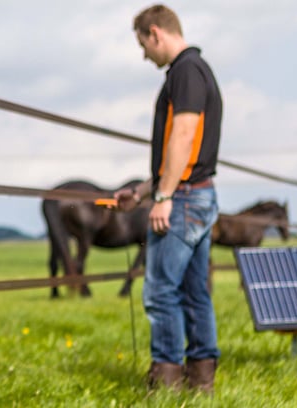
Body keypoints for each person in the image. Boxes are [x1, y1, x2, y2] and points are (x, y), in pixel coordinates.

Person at [114, 4, 223, 394]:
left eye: (143, 44)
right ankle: (201, 382)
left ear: (155, 33)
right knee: (195, 292)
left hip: (184, 199)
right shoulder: (194, 70)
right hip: (197, 194)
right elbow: (184, 151)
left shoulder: (185, 71)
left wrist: (163, 195)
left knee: (161, 291)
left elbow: (183, 136)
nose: (144, 54)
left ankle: (166, 384)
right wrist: (144, 190)